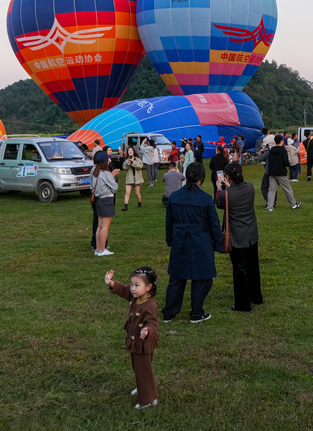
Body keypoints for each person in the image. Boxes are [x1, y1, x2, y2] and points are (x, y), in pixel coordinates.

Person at [162, 163, 221, 324]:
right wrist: (218, 243)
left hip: (180, 239)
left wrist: (170, 239)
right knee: (202, 278)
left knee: (177, 278)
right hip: (200, 241)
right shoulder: (205, 199)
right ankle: (196, 311)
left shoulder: (175, 196)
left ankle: (170, 312)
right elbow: (214, 224)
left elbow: (169, 222)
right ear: (201, 179)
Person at [104, 266, 160, 409]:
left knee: (143, 369)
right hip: (136, 342)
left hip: (143, 343)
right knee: (138, 367)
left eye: (136, 285)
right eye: (132, 284)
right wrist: (111, 283)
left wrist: (147, 329)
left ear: (148, 287)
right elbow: (124, 290)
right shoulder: (138, 297)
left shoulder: (149, 305)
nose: (132, 288)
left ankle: (148, 399)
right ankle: (143, 388)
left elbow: (153, 322)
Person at [215, 163, 263, 312]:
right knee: (253, 266)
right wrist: (230, 185)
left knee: (240, 270)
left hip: (237, 237)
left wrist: (219, 187)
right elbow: (238, 191)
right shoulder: (249, 187)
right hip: (251, 234)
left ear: (227, 177)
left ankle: (243, 304)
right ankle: (256, 296)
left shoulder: (227, 195)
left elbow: (220, 203)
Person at [93, 151, 120, 257]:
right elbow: (115, 187)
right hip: (107, 200)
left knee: (99, 226)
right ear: (104, 162)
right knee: (105, 227)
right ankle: (102, 249)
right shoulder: (105, 173)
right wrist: (112, 177)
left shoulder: (95, 172)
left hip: (99, 200)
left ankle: (98, 249)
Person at [265, 134, 299, 211]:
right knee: (287, 189)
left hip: (272, 172)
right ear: (281, 141)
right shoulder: (282, 150)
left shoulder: (271, 150)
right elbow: (285, 161)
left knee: (271, 190)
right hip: (281, 172)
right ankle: (293, 204)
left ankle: (270, 207)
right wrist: (288, 163)